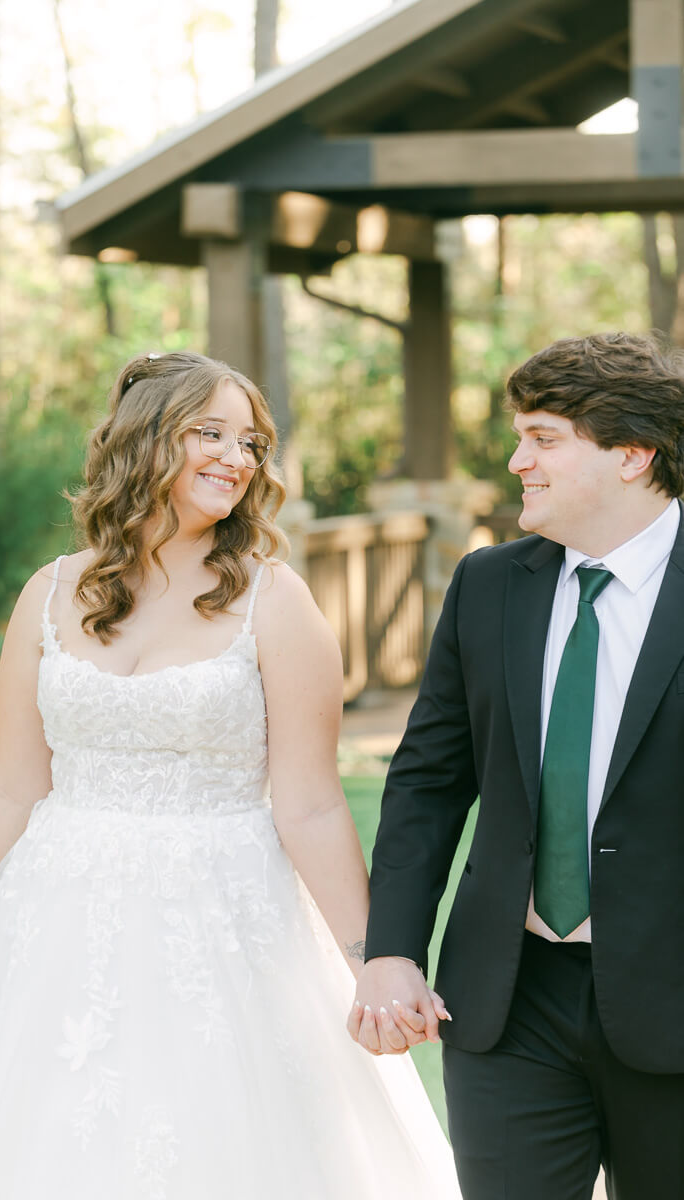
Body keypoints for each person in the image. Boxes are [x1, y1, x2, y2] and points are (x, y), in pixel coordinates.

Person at [0, 350, 460, 1199]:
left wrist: (369, 960)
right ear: (144, 441)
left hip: (227, 914)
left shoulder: (275, 599)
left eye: (252, 443)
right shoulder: (49, 594)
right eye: (211, 433)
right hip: (54, 916)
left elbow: (308, 803)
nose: (237, 458)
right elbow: (12, 786)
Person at [348, 331, 684, 1200]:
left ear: (633, 455)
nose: (516, 460)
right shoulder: (489, 585)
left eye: (543, 438)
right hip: (507, 1004)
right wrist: (391, 951)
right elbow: (428, 779)